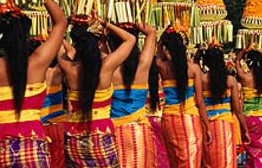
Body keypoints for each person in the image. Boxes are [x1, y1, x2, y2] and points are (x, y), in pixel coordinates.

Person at [0, 0, 67, 167]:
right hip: (33, 146)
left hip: (1, 148)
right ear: (26, 35)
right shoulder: (38, 63)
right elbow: (61, 23)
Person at [58, 18, 135, 167]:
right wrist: (106, 23)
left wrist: (66, 22)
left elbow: (55, 36)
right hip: (102, 136)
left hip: (74, 137)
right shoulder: (106, 67)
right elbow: (130, 39)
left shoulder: (69, 69)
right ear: (97, 47)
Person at [156, 26, 212, 168]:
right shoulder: (193, 69)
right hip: (189, 120)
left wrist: (162, 38)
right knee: (191, 161)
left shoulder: (162, 67)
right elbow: (199, 101)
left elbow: (157, 55)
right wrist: (207, 126)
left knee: (174, 162)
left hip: (169, 119)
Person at [108, 23, 156, 167]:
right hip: (138, 131)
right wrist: (136, 24)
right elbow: (152, 32)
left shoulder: (108, 68)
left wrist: (106, 28)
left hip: (114, 132)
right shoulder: (143, 65)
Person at [197, 43, 250, 168]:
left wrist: (198, 54)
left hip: (207, 124)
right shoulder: (230, 80)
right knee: (226, 161)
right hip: (225, 126)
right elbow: (237, 109)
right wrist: (245, 130)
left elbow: (200, 104)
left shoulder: (202, 80)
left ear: (207, 63)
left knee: (209, 162)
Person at [235, 48, 262, 168]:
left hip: (248, 119)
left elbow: (237, 61)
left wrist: (244, 50)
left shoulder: (244, 77)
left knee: (251, 151)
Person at [28, 39, 67, 168]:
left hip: (36, 128)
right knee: (58, 163)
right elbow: (67, 58)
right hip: (56, 126)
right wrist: (58, 39)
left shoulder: (25, 75)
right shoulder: (55, 73)